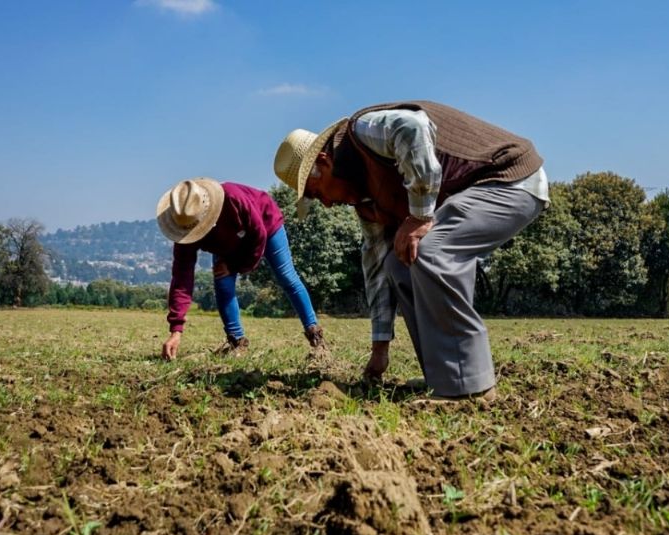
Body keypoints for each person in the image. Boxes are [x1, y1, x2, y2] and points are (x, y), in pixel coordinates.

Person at [273, 101, 549, 400]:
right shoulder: (367, 205)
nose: (325, 204)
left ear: (325, 163)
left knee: (430, 251)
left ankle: (471, 388)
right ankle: (444, 378)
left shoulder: (363, 131)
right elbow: (377, 268)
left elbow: (412, 126)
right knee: (398, 262)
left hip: (509, 180)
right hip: (478, 192)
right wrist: (380, 349)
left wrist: (419, 215)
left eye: (317, 194)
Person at [156, 177, 324, 359]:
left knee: (286, 276)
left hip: (265, 226)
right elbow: (181, 279)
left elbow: (258, 236)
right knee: (223, 284)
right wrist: (176, 330)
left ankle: (315, 334)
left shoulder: (233, 198)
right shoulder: (185, 225)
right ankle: (237, 342)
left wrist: (235, 265)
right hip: (226, 241)